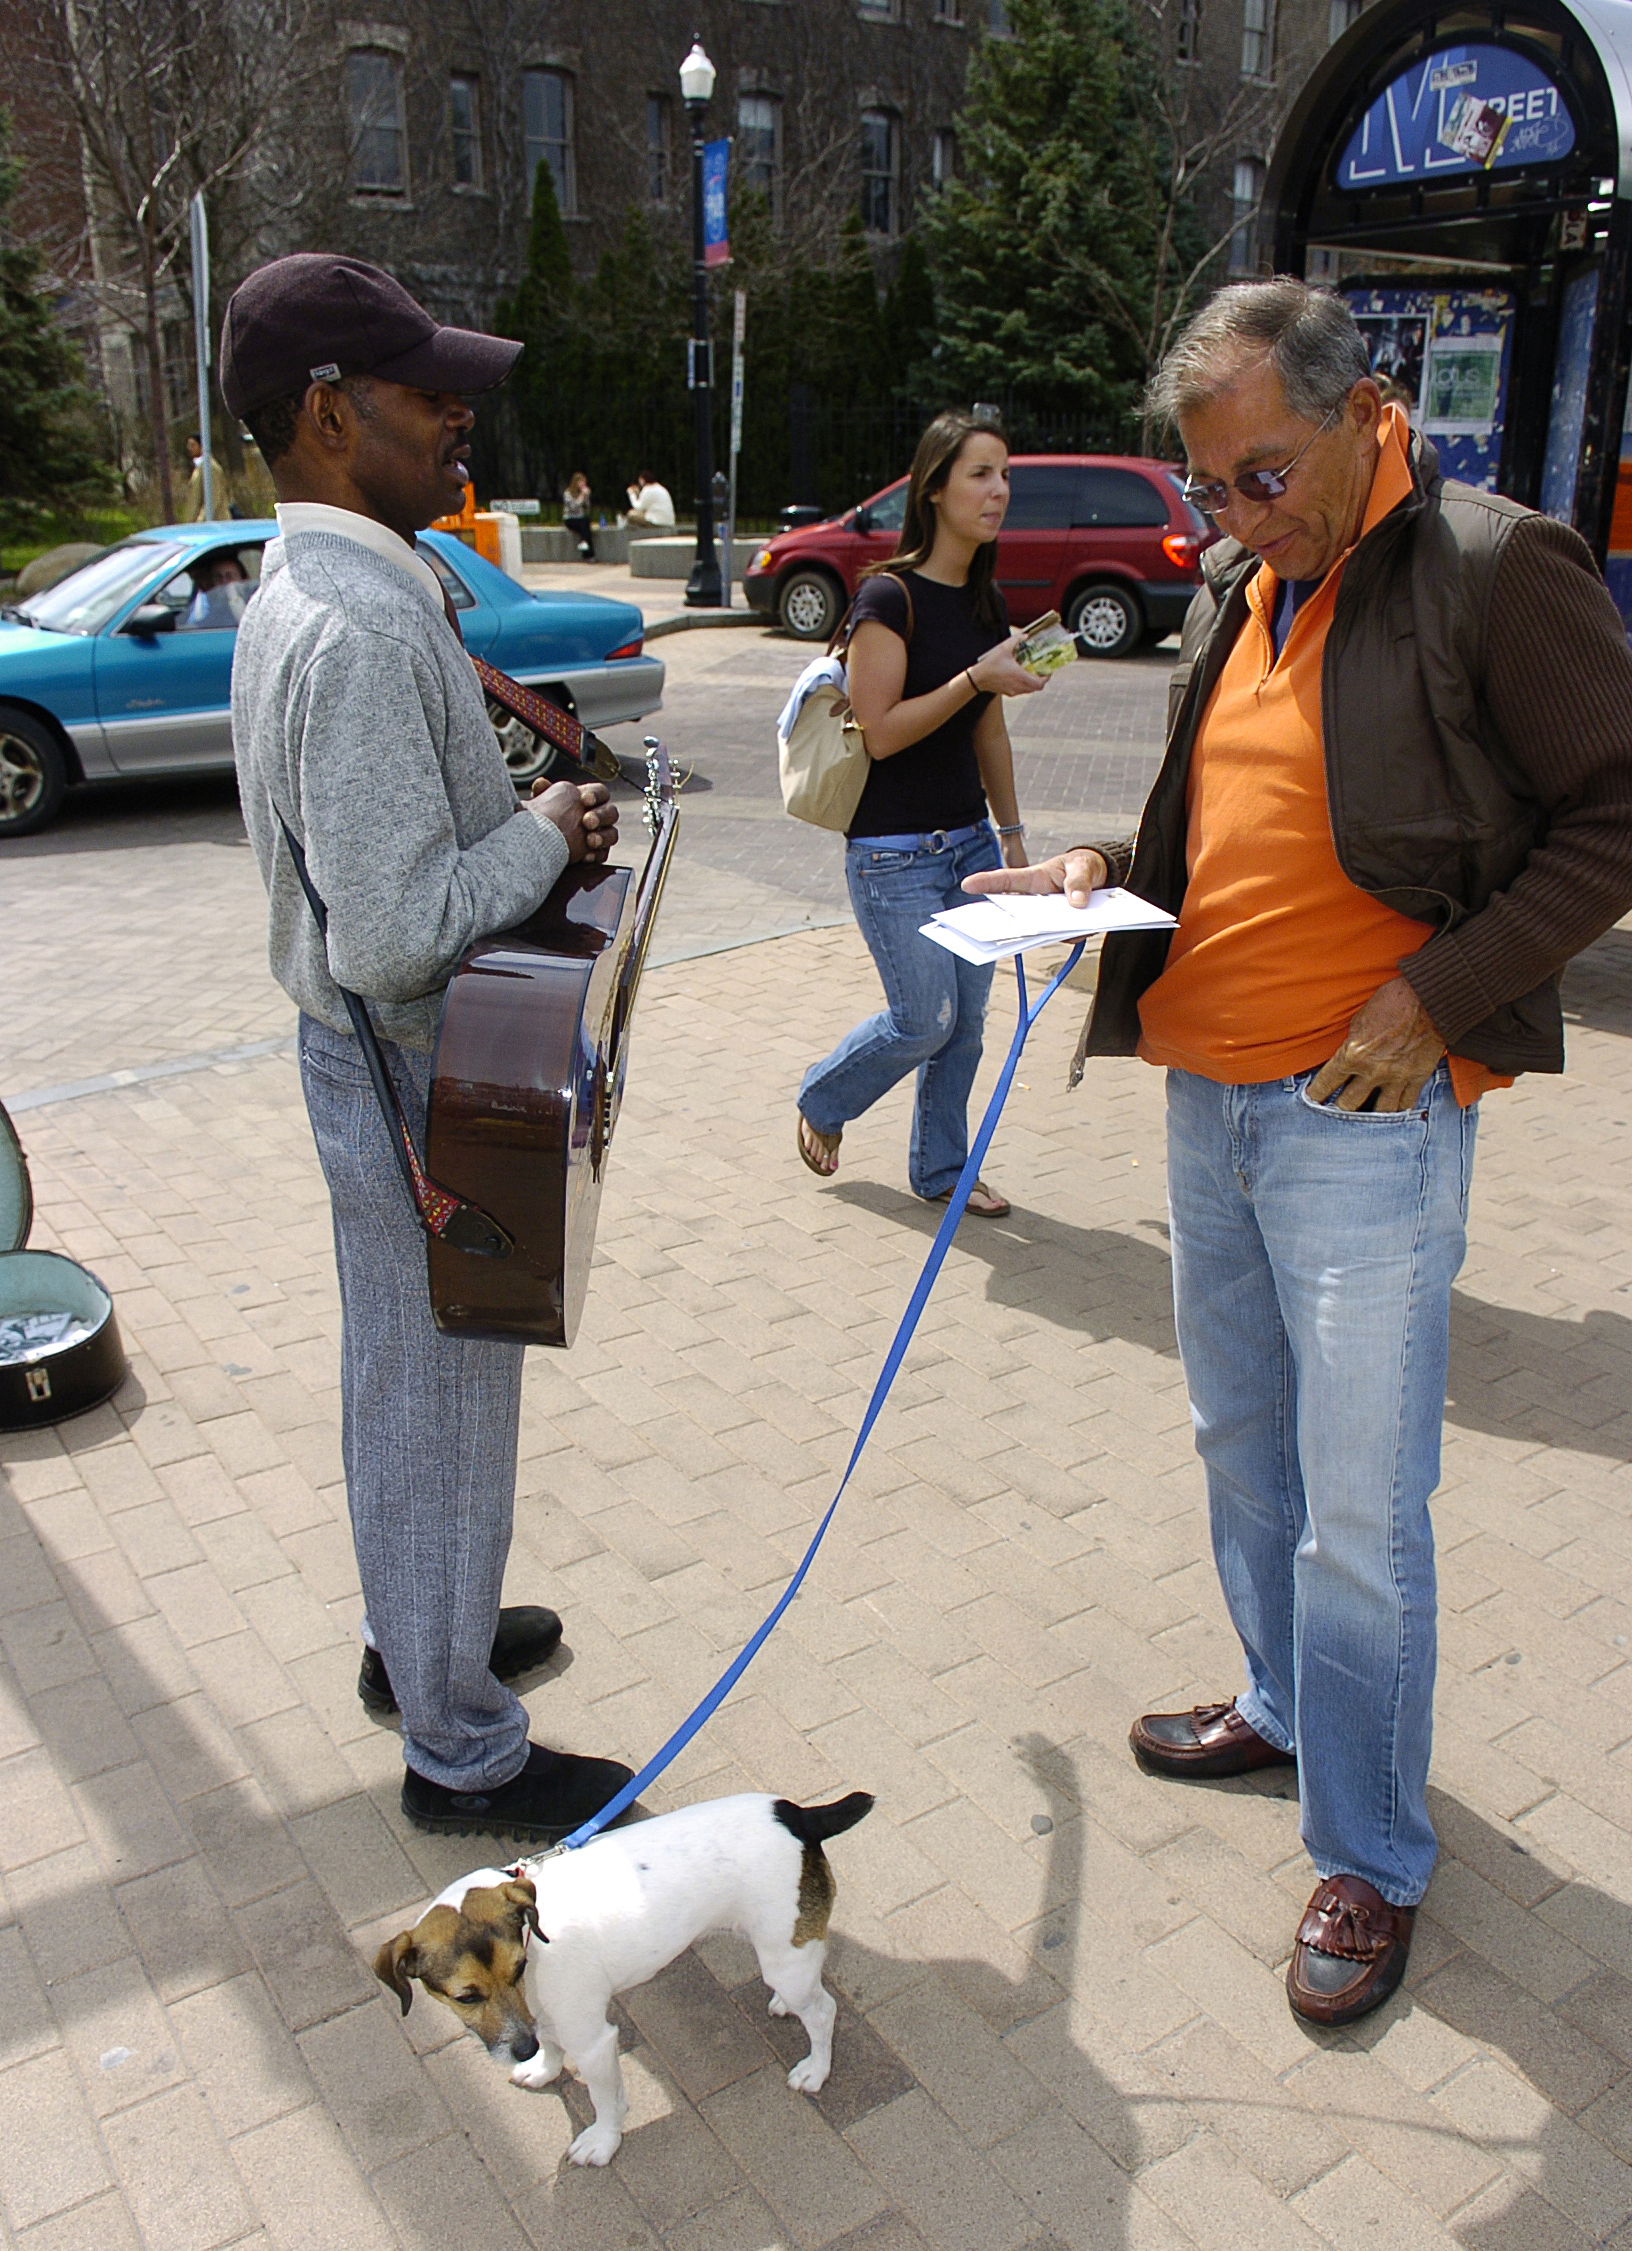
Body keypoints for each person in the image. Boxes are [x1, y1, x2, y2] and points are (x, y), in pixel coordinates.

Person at [968, 278, 1632, 2024]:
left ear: (1362, 413)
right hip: (1210, 1099)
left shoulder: (1494, 564)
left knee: (1358, 1511)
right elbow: (1224, 825)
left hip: (1363, 1120)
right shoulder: (1242, 582)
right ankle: (1278, 1703)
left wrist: (1437, 994)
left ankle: (1369, 1853)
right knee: (1240, 1447)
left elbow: (1615, 815)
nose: (1232, 516)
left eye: (1260, 475)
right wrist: (1089, 872)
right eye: (1207, 488)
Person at [223, 253, 634, 1845]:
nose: (462, 415)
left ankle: (428, 1634)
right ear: (331, 416)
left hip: (376, 1065)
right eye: (427, 393)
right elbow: (398, 933)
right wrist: (539, 831)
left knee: (410, 1376)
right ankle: (461, 1745)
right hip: (411, 1067)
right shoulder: (364, 622)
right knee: (439, 1394)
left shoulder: (319, 586)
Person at [795, 408, 1049, 1218]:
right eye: (981, 473)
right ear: (934, 488)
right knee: (925, 1017)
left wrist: (1011, 837)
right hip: (893, 854)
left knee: (967, 1025)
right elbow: (881, 732)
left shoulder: (983, 599)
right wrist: (976, 678)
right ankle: (823, 1097)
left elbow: (991, 731)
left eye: (1005, 473)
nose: (999, 490)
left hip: (969, 846)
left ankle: (943, 1169)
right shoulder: (887, 595)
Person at [180, 550, 250, 631]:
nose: (224, 581)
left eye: (230, 576)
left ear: (243, 579)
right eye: (218, 577)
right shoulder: (214, 606)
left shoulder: (251, 606)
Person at [179, 432, 225, 522]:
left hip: (214, 525)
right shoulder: (200, 467)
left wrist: (200, 522)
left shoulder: (210, 467)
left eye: (193, 445)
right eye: (188, 445)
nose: (189, 448)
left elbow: (213, 497)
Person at [562, 470, 595, 560]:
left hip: (581, 518)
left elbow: (587, 508)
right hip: (570, 519)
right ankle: (589, 555)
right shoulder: (568, 493)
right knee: (584, 525)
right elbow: (574, 507)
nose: (583, 485)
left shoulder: (583, 493)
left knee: (585, 525)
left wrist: (587, 496)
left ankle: (585, 547)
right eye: (581, 482)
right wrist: (581, 496)